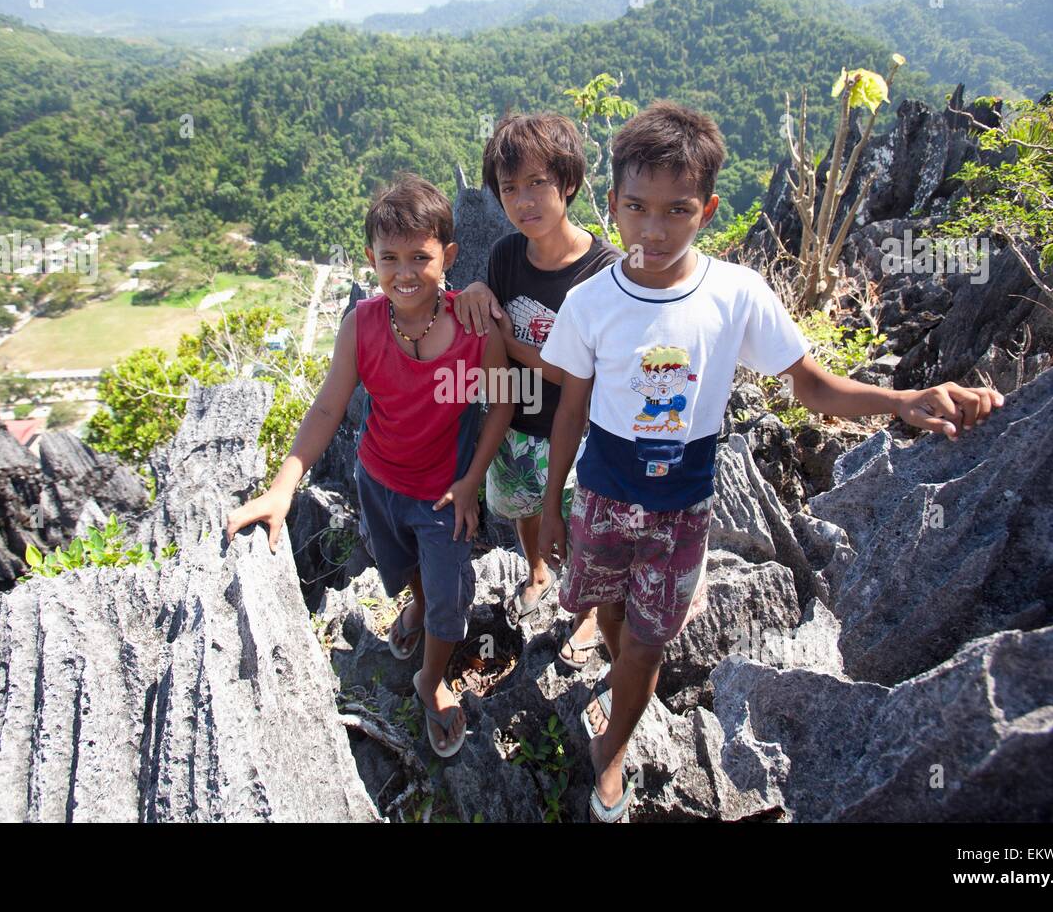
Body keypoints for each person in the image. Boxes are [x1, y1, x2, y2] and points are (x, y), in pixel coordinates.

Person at [537, 101, 1005, 822]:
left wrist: (905, 398)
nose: (654, 230)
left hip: (681, 510)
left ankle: (617, 746)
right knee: (608, 616)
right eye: (636, 208)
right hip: (600, 494)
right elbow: (570, 407)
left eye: (678, 210)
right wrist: (550, 505)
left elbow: (814, 387)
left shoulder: (736, 296)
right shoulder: (591, 300)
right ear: (612, 205)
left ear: (709, 210)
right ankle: (621, 656)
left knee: (644, 645)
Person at [226, 173, 515, 758]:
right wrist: (283, 488)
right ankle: (417, 607)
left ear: (449, 256)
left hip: (442, 497)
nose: (404, 272)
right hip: (377, 482)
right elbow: (330, 405)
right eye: (389, 258)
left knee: (449, 602)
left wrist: (471, 482)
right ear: (370, 259)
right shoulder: (361, 324)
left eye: (420, 257)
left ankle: (430, 682)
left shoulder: (472, 326)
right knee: (410, 574)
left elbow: (504, 402)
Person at [452, 112, 622, 669]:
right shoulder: (505, 256)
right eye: (509, 189)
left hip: (575, 432)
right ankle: (536, 570)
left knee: (580, 526)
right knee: (524, 511)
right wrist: (476, 290)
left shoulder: (603, 270)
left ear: (568, 182)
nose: (523, 201)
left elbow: (584, 376)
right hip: (514, 423)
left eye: (537, 184)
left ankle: (590, 610)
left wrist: (511, 340)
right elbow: (491, 332)